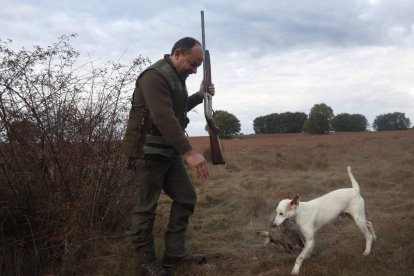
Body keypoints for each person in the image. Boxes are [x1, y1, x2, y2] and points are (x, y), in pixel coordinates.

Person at [122, 37, 214, 276]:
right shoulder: (154, 76)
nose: (194, 70)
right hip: (147, 153)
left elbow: (178, 109)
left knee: (186, 198)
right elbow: (164, 117)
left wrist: (200, 94)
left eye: (197, 66)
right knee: (146, 210)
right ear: (177, 53)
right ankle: (146, 263)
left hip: (167, 152)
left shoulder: (177, 78)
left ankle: (174, 253)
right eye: (192, 64)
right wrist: (189, 152)